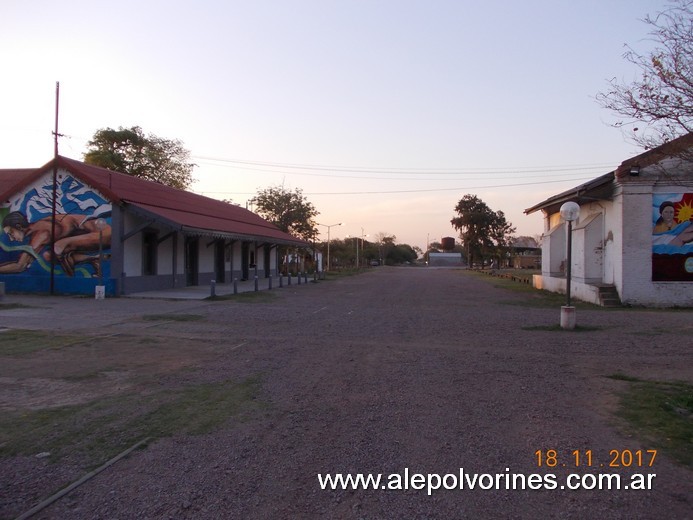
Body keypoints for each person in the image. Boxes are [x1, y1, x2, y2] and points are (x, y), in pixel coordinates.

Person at [0, 211, 111, 276]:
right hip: (88, 237)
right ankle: (94, 259)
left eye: (11, 233)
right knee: (49, 255)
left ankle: (72, 279)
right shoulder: (37, 230)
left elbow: (20, 266)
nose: (11, 238)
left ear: (19, 226)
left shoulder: (41, 233)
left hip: (104, 234)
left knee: (58, 246)